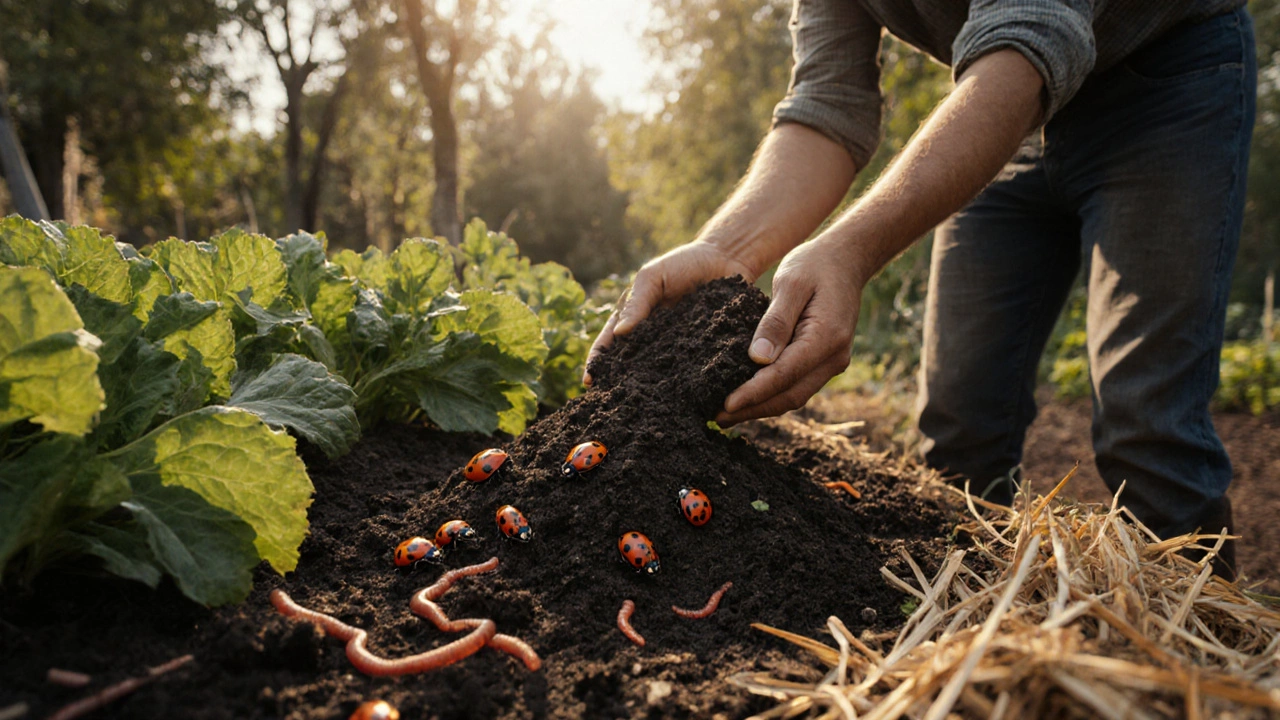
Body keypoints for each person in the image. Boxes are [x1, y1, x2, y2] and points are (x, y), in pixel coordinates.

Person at [587, 1, 1255, 575]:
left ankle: (1198, 653)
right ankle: (983, 640)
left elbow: (1034, 30)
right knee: (960, 426)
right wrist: (727, 250)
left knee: (1148, 425)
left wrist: (849, 251)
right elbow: (828, 104)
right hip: (995, 107)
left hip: (1162, 87)